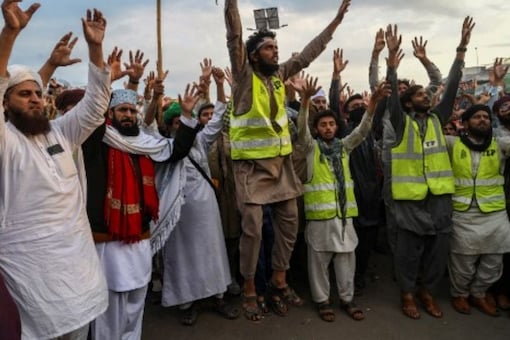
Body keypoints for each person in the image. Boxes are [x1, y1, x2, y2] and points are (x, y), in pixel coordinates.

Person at [224, 0, 352, 321]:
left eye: (276, 47)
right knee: (252, 229)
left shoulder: (280, 75)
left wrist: (334, 24)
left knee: (291, 220)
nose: (275, 52)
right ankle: (251, 286)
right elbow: (234, 35)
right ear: (254, 55)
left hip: (280, 166)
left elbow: (307, 54)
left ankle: (280, 279)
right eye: (269, 48)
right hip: (251, 169)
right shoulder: (242, 76)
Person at [0, 2, 111, 339]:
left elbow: (94, 108)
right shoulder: (7, 142)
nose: (35, 98)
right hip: (31, 280)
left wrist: (95, 49)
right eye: (23, 94)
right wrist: (10, 33)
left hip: (77, 276)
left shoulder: (60, 133)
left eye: (38, 92)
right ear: (5, 102)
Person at [84, 77, 199, 338]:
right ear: (110, 113)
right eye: (122, 110)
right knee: (110, 301)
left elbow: (176, 150)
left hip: (139, 233)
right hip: (107, 236)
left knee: (137, 297)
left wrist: (188, 115)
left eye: (131, 111)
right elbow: (90, 119)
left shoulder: (144, 143)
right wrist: (109, 81)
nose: (128, 115)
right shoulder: (97, 140)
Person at [383, 18, 474, 320]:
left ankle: (427, 293)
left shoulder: (438, 118)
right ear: (409, 103)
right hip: (409, 200)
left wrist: (461, 50)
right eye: (421, 95)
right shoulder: (399, 122)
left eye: (427, 95)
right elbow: (392, 100)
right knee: (409, 254)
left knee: (437, 251)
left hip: (439, 198)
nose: (428, 97)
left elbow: (449, 89)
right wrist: (392, 69)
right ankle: (408, 294)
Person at [292, 74, 389, 322]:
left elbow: (363, 130)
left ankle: (347, 299)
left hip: (345, 218)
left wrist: (372, 105)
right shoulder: (311, 148)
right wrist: (304, 101)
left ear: (336, 127)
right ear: (317, 129)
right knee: (318, 264)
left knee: (347, 261)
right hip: (320, 218)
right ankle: (323, 301)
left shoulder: (344, 147)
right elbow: (301, 128)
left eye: (331, 125)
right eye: (322, 125)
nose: (327, 128)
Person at [445, 104, 510, 316]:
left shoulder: (500, 144)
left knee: (493, 261)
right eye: (476, 117)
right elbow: (431, 129)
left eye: (486, 117)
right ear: (464, 123)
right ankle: (460, 294)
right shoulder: (452, 144)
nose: (482, 120)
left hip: (494, 213)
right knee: (463, 261)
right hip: (463, 212)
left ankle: (479, 293)